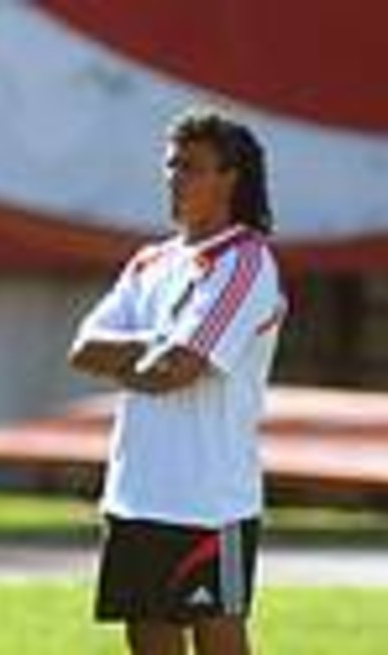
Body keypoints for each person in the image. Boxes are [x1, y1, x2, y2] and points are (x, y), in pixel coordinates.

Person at [68, 107, 287, 655]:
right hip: (137, 493)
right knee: (148, 640)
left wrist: (144, 356)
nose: (175, 177)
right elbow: (82, 350)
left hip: (208, 499)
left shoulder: (244, 262)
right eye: (171, 165)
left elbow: (178, 371)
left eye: (191, 167)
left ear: (229, 179)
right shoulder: (151, 262)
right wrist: (153, 347)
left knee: (218, 639)